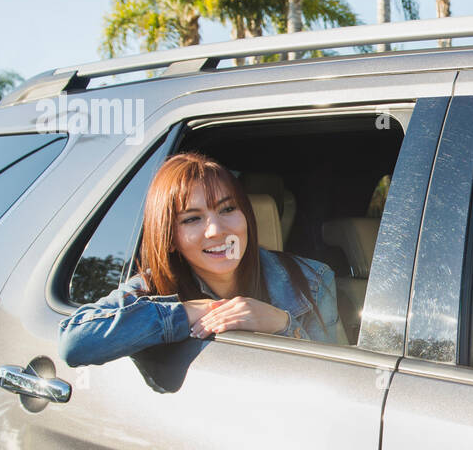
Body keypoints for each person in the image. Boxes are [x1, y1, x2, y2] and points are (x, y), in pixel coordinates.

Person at [59, 152, 342, 368]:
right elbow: (75, 342)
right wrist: (190, 312)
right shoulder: (151, 287)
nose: (217, 230)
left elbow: (341, 379)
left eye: (228, 209)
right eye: (192, 219)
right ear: (169, 237)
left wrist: (282, 324)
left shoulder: (311, 279)